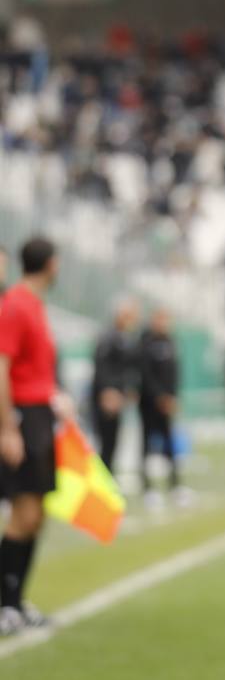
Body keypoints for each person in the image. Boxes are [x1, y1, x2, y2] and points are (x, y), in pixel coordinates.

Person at [0, 237, 72, 634]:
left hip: (41, 415)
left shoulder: (34, 305)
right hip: (24, 418)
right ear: (52, 264)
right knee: (22, 513)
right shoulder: (15, 305)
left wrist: (57, 398)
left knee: (37, 515)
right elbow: (2, 368)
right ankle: (4, 603)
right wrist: (7, 427)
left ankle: (16, 601)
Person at [138, 307, 187, 505]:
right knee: (147, 444)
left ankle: (174, 484)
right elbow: (145, 374)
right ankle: (147, 487)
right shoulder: (145, 342)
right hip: (149, 403)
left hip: (168, 402)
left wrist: (172, 397)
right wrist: (159, 397)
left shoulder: (171, 341)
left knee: (169, 444)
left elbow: (175, 372)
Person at [90, 297, 143, 472]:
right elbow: (102, 367)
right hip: (106, 401)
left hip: (118, 399)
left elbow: (129, 369)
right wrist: (108, 392)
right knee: (105, 444)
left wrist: (129, 389)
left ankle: (109, 483)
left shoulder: (126, 339)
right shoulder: (108, 337)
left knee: (113, 445)